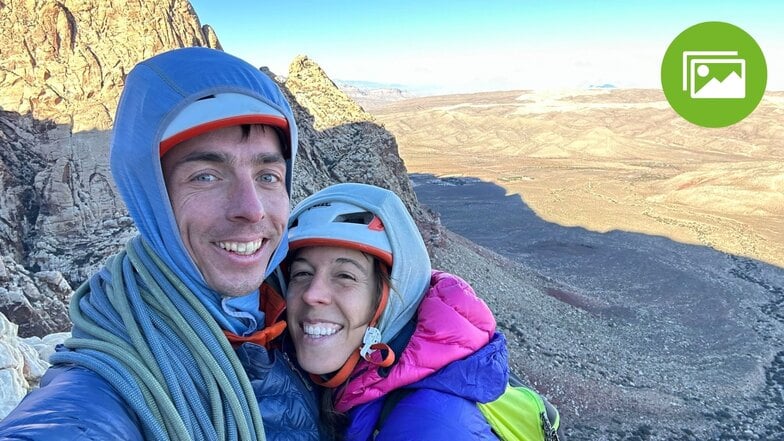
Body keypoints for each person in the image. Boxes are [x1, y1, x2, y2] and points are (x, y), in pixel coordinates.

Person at [0, 47, 321, 440]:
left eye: (268, 175)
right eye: (206, 176)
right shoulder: (105, 391)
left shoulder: (302, 310)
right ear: (150, 196)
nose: (251, 210)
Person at [284, 182, 509, 440]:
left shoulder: (429, 428)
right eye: (301, 273)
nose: (312, 294)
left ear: (394, 299)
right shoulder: (347, 381)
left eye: (345, 276)